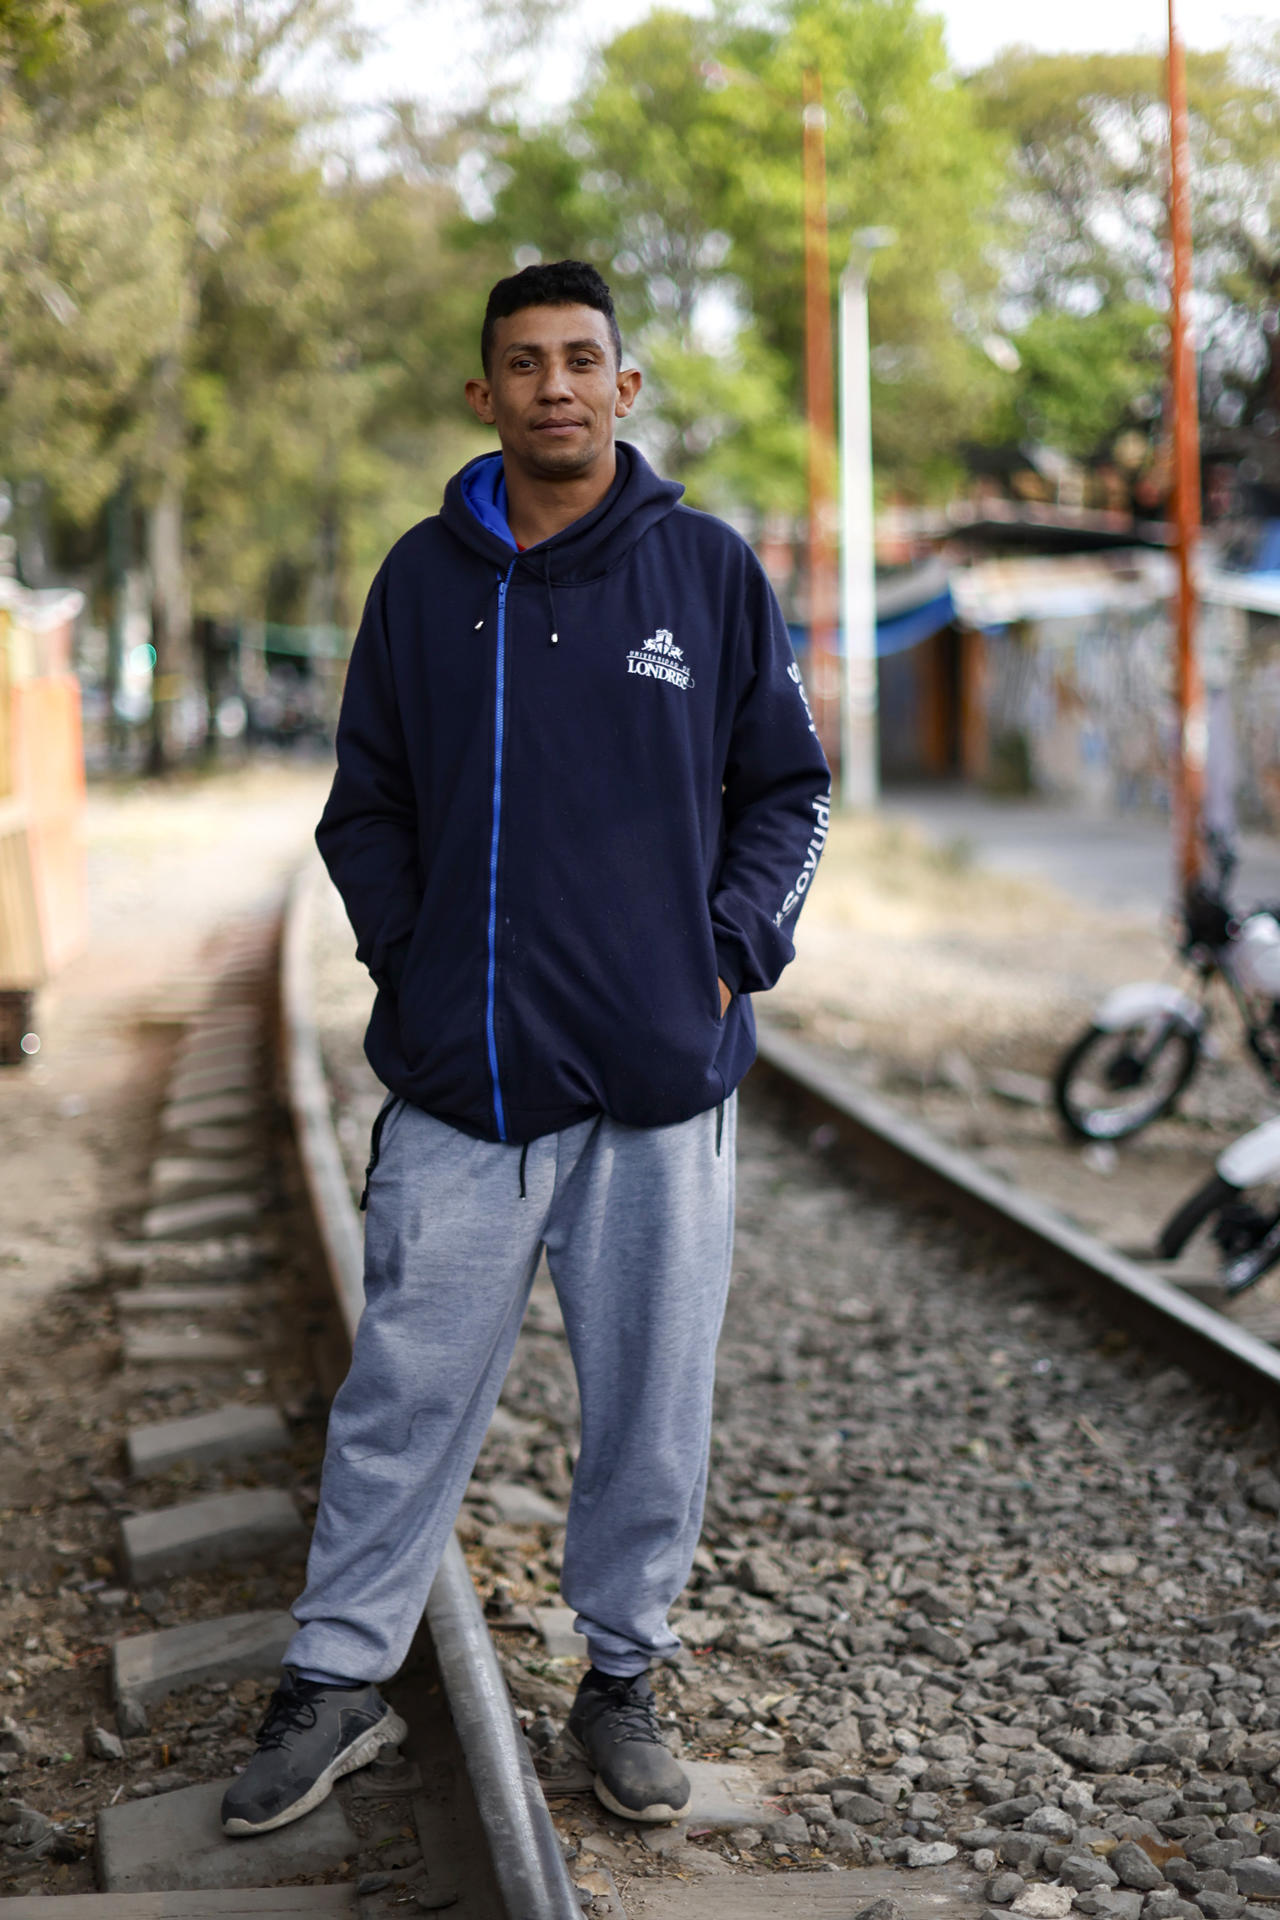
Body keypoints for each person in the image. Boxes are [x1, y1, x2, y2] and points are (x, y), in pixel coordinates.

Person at [221, 259, 830, 1839]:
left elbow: (789, 791)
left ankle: (621, 1676)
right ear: (482, 395)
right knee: (403, 1395)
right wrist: (417, 971)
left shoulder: (705, 572)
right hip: (464, 1085)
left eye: (582, 359)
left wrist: (730, 953)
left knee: (650, 1407)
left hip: (656, 1085)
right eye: (522, 362)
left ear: (625, 390)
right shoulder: (423, 581)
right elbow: (366, 807)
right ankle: (339, 1678)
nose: (554, 384)